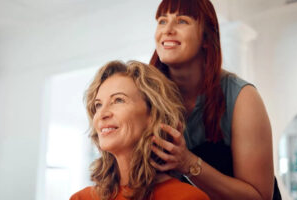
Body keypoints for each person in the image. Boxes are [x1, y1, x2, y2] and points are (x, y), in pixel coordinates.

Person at [149, 0, 281, 199]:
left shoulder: (242, 98)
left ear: (206, 37)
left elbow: (259, 197)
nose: (167, 30)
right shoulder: (146, 96)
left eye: (182, 21)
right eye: (162, 21)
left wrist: (188, 163)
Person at [70, 60, 210, 200]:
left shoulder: (188, 197)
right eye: (98, 105)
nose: (101, 114)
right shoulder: (81, 198)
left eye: (118, 100)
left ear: (153, 115)